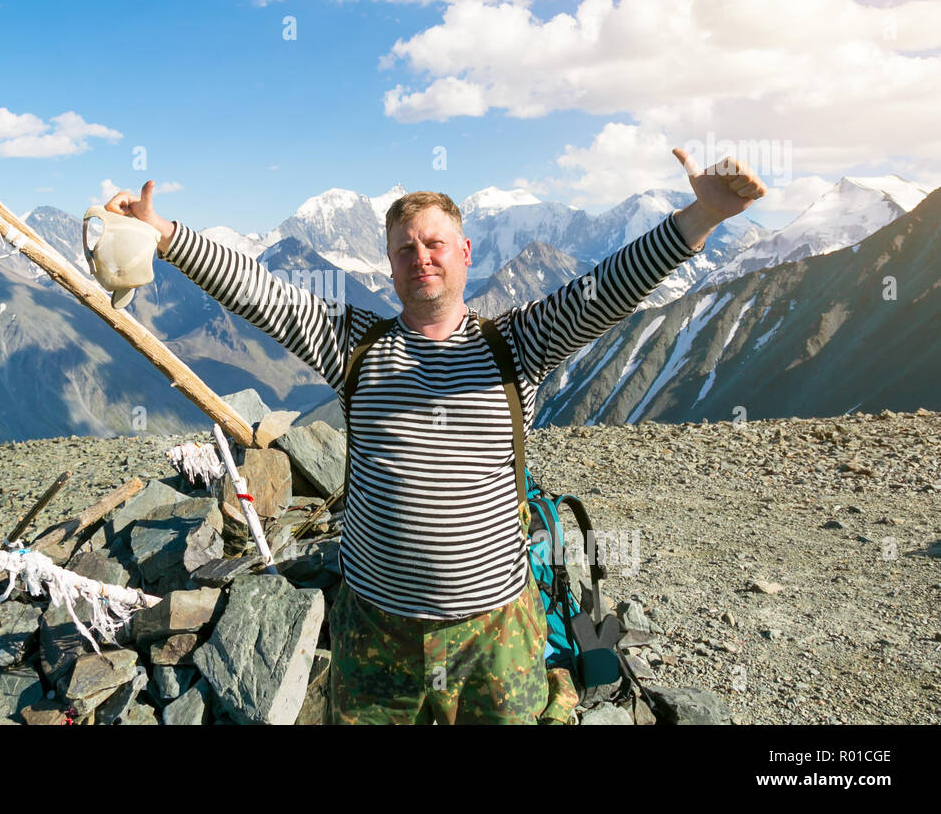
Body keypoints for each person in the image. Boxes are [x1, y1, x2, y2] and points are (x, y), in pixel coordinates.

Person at [105, 148, 766, 724]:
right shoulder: (353, 345)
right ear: (389, 265)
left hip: (494, 626)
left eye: (434, 244)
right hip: (374, 624)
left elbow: (604, 291)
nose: (420, 257)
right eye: (404, 248)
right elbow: (263, 292)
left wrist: (700, 217)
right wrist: (162, 232)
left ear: (464, 253)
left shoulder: (517, 345)